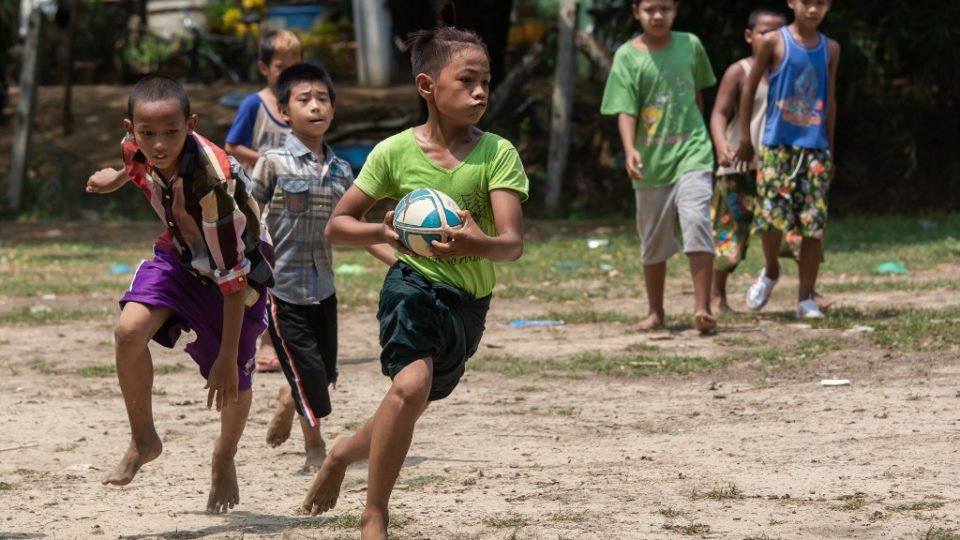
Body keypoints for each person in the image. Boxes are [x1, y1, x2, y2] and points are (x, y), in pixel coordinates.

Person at [301, 26, 528, 539]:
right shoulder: (393, 153)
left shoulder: (498, 153)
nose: (479, 93)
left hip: (468, 304)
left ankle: (340, 453)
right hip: (411, 286)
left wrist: (476, 243)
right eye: (466, 81)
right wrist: (382, 229)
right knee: (409, 385)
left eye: (486, 82)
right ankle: (375, 512)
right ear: (427, 86)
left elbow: (511, 242)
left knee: (407, 405)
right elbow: (338, 225)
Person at [85, 75, 274, 513]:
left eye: (171, 132)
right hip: (181, 255)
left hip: (238, 269)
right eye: (147, 133)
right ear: (130, 127)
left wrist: (226, 356)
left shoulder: (213, 181)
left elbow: (232, 277)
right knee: (128, 332)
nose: (159, 143)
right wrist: (114, 179)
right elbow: (137, 166)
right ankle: (143, 439)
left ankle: (223, 457)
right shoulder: (135, 146)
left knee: (235, 384)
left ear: (190, 124)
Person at [251, 63, 395, 471]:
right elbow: (246, 216)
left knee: (323, 374)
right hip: (281, 291)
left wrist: (402, 262)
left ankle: (287, 396)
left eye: (323, 99)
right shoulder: (273, 163)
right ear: (284, 112)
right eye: (304, 100)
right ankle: (315, 447)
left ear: (333, 108)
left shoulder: (342, 171)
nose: (316, 107)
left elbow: (354, 233)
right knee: (312, 379)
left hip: (324, 290)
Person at [600, 0, 717, 333]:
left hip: (693, 151)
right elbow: (625, 108)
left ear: (676, 10)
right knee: (652, 239)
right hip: (650, 161)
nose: (658, 15)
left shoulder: (691, 45)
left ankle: (702, 310)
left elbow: (696, 95)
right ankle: (656, 312)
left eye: (665, 8)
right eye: (650, 8)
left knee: (696, 221)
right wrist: (629, 149)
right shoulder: (627, 55)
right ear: (636, 10)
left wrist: (701, 134)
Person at [734, 0, 840, 319]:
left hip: (815, 149)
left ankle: (806, 297)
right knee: (770, 218)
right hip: (777, 144)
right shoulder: (773, 41)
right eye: (807, 2)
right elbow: (749, 88)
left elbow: (830, 98)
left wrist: (830, 149)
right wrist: (744, 139)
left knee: (812, 225)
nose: (812, 10)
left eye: (820, 4)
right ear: (793, 2)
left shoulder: (831, 48)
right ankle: (770, 269)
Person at [224, 29, 303, 372]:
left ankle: (277, 339)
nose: (288, 73)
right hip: (256, 202)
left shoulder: (301, 101)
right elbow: (232, 146)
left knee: (285, 268)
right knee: (261, 268)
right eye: (280, 66)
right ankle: (260, 342)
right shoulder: (254, 104)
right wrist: (267, 160)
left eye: (295, 65)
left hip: (291, 200)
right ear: (264, 67)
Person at [708, 8, 788, 313]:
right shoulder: (739, 71)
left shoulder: (790, 69)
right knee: (729, 230)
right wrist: (720, 145)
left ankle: (806, 290)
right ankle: (717, 295)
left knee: (794, 230)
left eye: (778, 32)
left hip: (778, 164)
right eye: (764, 32)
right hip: (738, 166)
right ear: (748, 36)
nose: (771, 38)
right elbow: (718, 113)